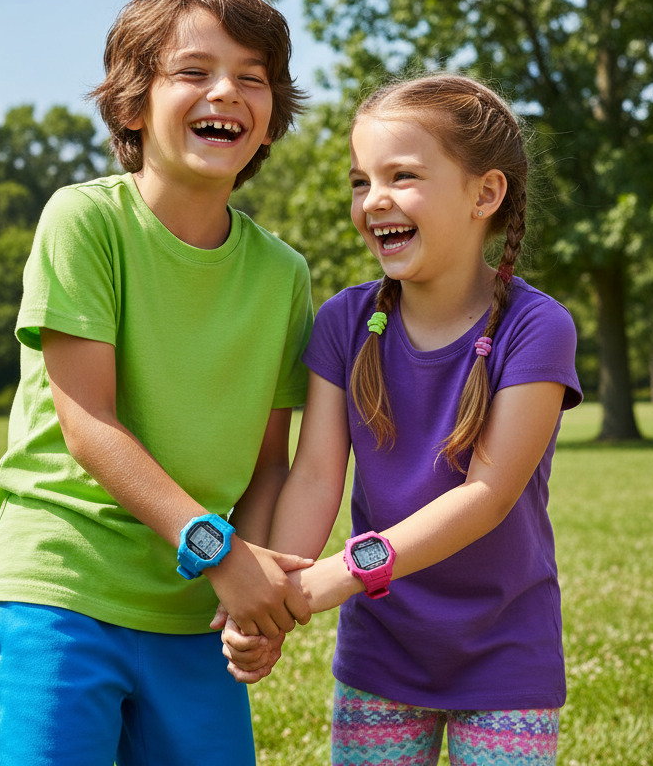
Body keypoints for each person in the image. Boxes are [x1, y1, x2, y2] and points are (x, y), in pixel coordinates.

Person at [0, 0, 317, 766]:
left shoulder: (283, 275)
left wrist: (247, 601)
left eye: (252, 79)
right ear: (132, 105)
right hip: (62, 590)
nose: (225, 92)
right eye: (194, 72)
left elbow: (270, 462)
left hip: (194, 610)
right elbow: (89, 424)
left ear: (272, 120)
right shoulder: (84, 220)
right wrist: (222, 551)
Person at [223, 74, 583, 766]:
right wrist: (274, 600)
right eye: (361, 181)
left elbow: (485, 496)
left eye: (402, 176)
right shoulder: (344, 321)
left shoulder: (538, 328)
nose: (373, 200)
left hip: (506, 657)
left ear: (486, 193)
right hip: (381, 656)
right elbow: (316, 476)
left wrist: (339, 575)